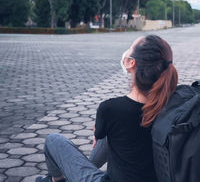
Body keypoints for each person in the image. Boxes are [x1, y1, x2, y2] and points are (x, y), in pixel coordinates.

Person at [36, 35, 178, 182]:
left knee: (53, 140)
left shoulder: (110, 108)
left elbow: (99, 136)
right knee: (113, 132)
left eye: (130, 47)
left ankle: (56, 180)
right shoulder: (175, 106)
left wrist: (100, 126)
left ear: (131, 63)